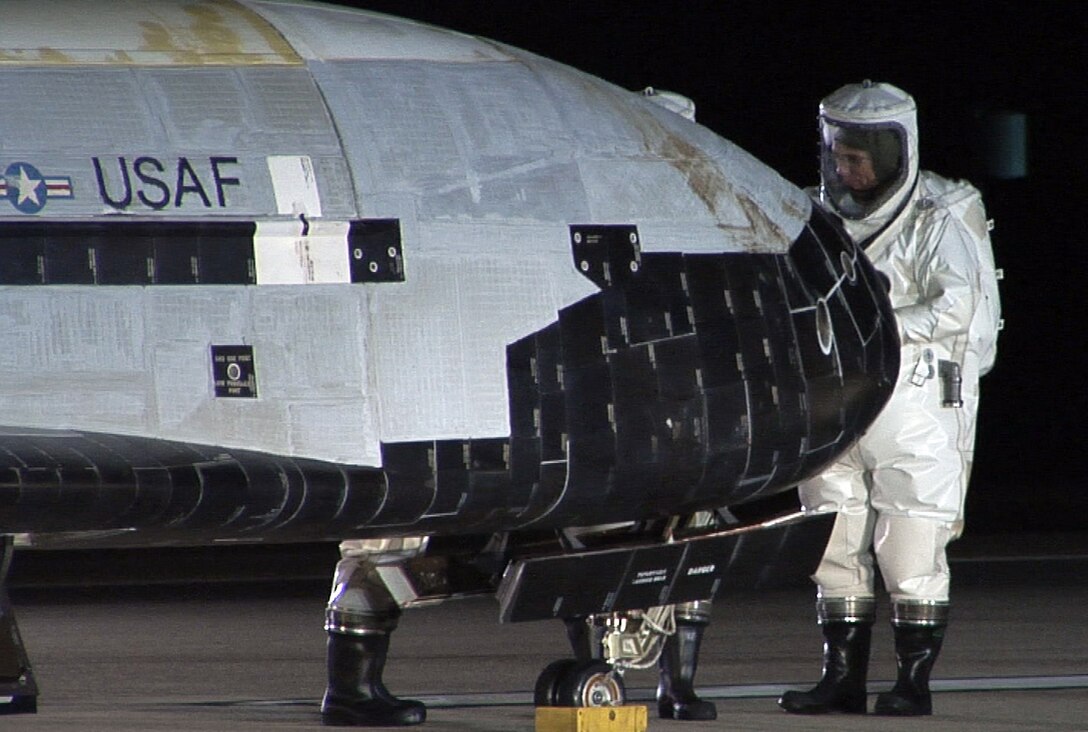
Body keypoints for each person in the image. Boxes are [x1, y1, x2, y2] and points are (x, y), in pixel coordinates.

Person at [778, 80, 1000, 717]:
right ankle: (840, 679)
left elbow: (958, 303)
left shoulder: (937, 217)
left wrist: (875, 327)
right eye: (839, 154)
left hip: (916, 403)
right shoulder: (814, 216)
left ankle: (912, 684)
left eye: (859, 157)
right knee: (832, 536)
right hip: (834, 400)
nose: (847, 168)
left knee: (909, 544)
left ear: (895, 152)